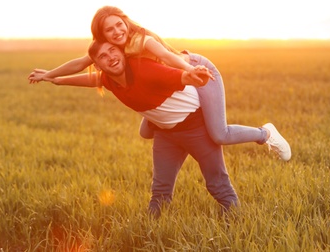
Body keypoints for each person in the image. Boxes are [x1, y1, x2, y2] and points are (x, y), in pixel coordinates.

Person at [28, 5, 291, 162]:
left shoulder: (141, 41)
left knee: (219, 134)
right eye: (110, 30)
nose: (117, 32)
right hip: (168, 86)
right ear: (102, 35)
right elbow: (81, 65)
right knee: (145, 132)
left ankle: (264, 134)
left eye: (119, 25)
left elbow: (168, 57)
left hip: (196, 71)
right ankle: (168, 125)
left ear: (125, 22)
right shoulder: (111, 51)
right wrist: (51, 75)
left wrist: (192, 70)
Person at [29, 40, 240, 218]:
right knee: (159, 193)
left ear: (122, 52)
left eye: (113, 50)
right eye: (103, 56)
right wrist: (54, 79)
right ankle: (153, 232)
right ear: (99, 65)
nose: (110, 56)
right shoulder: (109, 80)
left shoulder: (145, 69)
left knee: (218, 186)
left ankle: (235, 224)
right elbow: (89, 79)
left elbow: (178, 76)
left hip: (196, 128)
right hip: (165, 133)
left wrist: (193, 72)